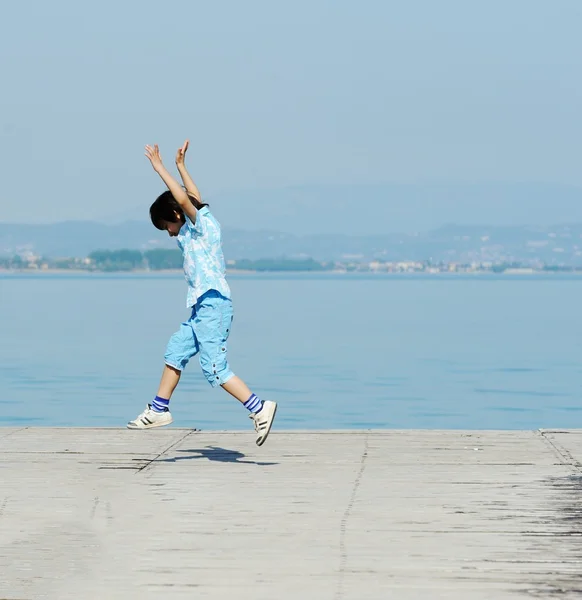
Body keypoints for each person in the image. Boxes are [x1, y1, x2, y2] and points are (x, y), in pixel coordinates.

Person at [127, 140, 277, 446]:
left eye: (166, 225)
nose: (168, 232)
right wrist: (182, 166)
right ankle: (159, 409)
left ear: (177, 214)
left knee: (214, 368)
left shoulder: (201, 226)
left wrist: (160, 168)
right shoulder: (198, 222)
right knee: (176, 350)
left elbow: (185, 199)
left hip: (213, 305)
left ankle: (259, 408)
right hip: (202, 308)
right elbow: (192, 197)